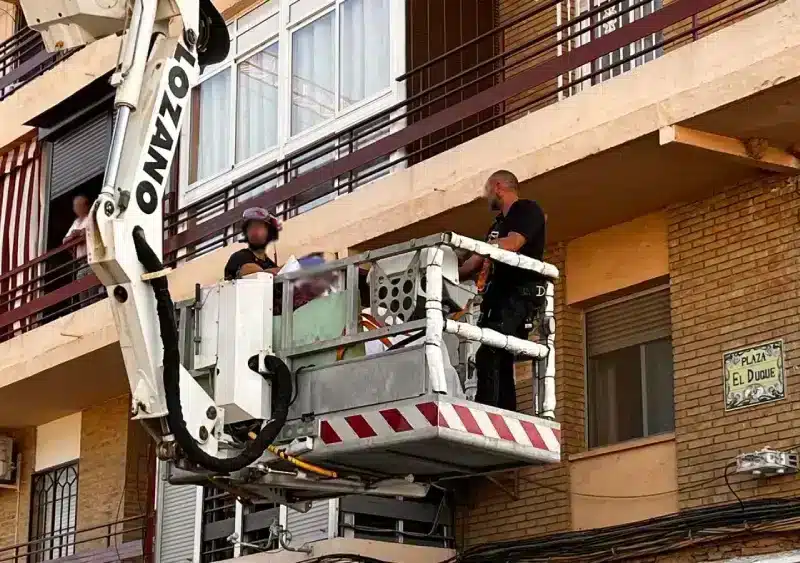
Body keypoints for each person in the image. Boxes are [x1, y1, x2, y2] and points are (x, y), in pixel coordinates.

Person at [458, 170, 547, 412]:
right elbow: (473, 264)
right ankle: (505, 412)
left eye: (487, 190)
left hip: (519, 296)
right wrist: (445, 269)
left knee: (489, 355)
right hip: (498, 300)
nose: (486, 197)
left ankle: (488, 414)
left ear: (498, 187)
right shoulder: (497, 226)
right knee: (500, 358)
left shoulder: (527, 210)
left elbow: (513, 243)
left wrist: (484, 248)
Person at [224, 207, 282, 280]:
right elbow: (249, 269)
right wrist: (279, 271)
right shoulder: (239, 257)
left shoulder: (270, 264)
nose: (255, 232)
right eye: (251, 227)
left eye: (260, 227)